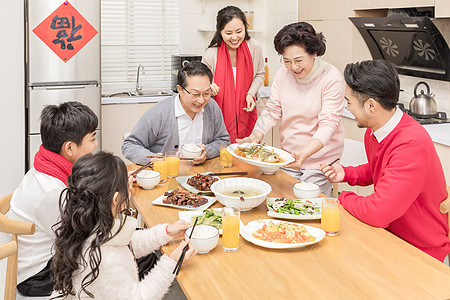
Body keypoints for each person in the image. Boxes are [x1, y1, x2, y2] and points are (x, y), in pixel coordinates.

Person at [320, 60, 450, 261]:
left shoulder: (410, 143)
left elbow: (378, 212)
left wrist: (341, 199)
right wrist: (346, 173)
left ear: (371, 105)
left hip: (420, 250)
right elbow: (382, 170)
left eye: (348, 102)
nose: (347, 108)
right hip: (390, 234)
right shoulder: (376, 129)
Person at [51, 151, 196, 299]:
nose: (131, 186)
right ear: (116, 198)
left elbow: (128, 242)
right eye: (127, 183)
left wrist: (166, 232)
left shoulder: (85, 224)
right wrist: (171, 262)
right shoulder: (106, 259)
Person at [237, 22, 345, 196]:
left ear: (314, 53)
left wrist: (305, 153)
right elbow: (273, 109)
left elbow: (329, 124)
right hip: (289, 157)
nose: (293, 67)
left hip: (320, 162)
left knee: (310, 206)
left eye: (299, 60)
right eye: (287, 61)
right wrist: (256, 134)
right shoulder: (283, 73)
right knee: (282, 201)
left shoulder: (331, 77)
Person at [7, 101, 98, 296]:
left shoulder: (47, 167)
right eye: (92, 139)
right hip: (35, 275)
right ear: (70, 148)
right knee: (122, 261)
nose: (95, 145)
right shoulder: (52, 192)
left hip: (43, 257)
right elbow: (82, 237)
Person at [122, 61, 230, 165]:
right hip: (167, 175)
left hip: (200, 174)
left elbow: (223, 140)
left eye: (206, 93)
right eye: (195, 94)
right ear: (179, 89)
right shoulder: (159, 114)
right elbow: (129, 145)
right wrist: (151, 159)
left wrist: (207, 152)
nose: (201, 100)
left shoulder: (212, 107)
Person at [202, 5, 265, 142]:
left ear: (245, 28)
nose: (235, 37)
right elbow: (203, 85)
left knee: (248, 152)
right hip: (219, 116)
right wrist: (210, 88)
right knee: (222, 155)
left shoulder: (254, 46)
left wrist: (250, 93)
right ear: (220, 31)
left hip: (247, 112)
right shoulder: (211, 54)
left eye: (239, 31)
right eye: (228, 33)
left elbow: (260, 74)